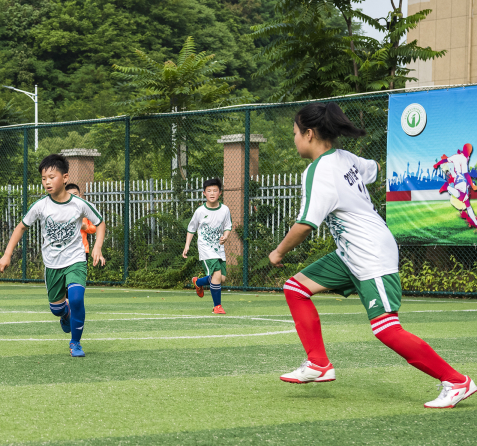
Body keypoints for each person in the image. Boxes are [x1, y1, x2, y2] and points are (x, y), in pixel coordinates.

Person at [269, 102, 473, 409]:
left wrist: (278, 251)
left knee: (386, 329)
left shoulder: (318, 171)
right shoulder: (345, 158)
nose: (294, 138)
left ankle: (456, 381)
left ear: (309, 134)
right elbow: (373, 169)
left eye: (295, 132)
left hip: (369, 252)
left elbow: (306, 224)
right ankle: (319, 364)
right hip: (351, 251)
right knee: (296, 288)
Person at [0, 154, 106, 357]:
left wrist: (97, 247)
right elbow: (21, 227)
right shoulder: (41, 206)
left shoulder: (79, 204)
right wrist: (7, 254)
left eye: (51, 177)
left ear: (65, 178)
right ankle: (64, 314)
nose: (47, 182)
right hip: (52, 264)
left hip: (75, 260)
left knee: (76, 298)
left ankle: (75, 343)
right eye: (43, 178)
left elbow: (100, 223)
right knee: (57, 309)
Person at [182, 178, 232, 314]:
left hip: (219, 248)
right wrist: (187, 246)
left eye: (215, 190)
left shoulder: (225, 210)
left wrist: (226, 236)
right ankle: (217, 306)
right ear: (204, 193)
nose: (212, 193)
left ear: (220, 193)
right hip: (205, 248)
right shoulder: (200, 211)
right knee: (217, 274)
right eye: (209, 191)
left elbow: (228, 226)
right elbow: (191, 229)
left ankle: (198, 282)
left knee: (221, 278)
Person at [65, 183, 97, 257]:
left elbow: (94, 228)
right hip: (65, 250)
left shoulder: (85, 210)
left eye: (75, 194)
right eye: (69, 194)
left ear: (80, 195)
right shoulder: (61, 211)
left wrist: (85, 227)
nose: (73, 197)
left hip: (82, 249)